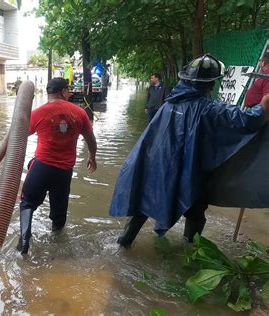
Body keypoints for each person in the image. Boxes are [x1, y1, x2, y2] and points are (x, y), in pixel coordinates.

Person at [109, 54, 269, 248]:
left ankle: (122, 245)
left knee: (142, 206)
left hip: (156, 167)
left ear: (185, 79)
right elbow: (247, 120)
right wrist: (264, 105)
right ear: (211, 84)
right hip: (188, 173)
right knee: (195, 213)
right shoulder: (210, 109)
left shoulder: (169, 104)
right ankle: (188, 253)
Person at [16, 78, 98, 255]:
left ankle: (24, 241)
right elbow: (91, 139)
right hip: (64, 172)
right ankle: (58, 248)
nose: (69, 94)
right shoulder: (79, 113)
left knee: (27, 203)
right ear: (63, 91)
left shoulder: (39, 113)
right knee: (59, 214)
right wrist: (92, 156)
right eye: (68, 91)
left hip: (41, 167)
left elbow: (19, 136)